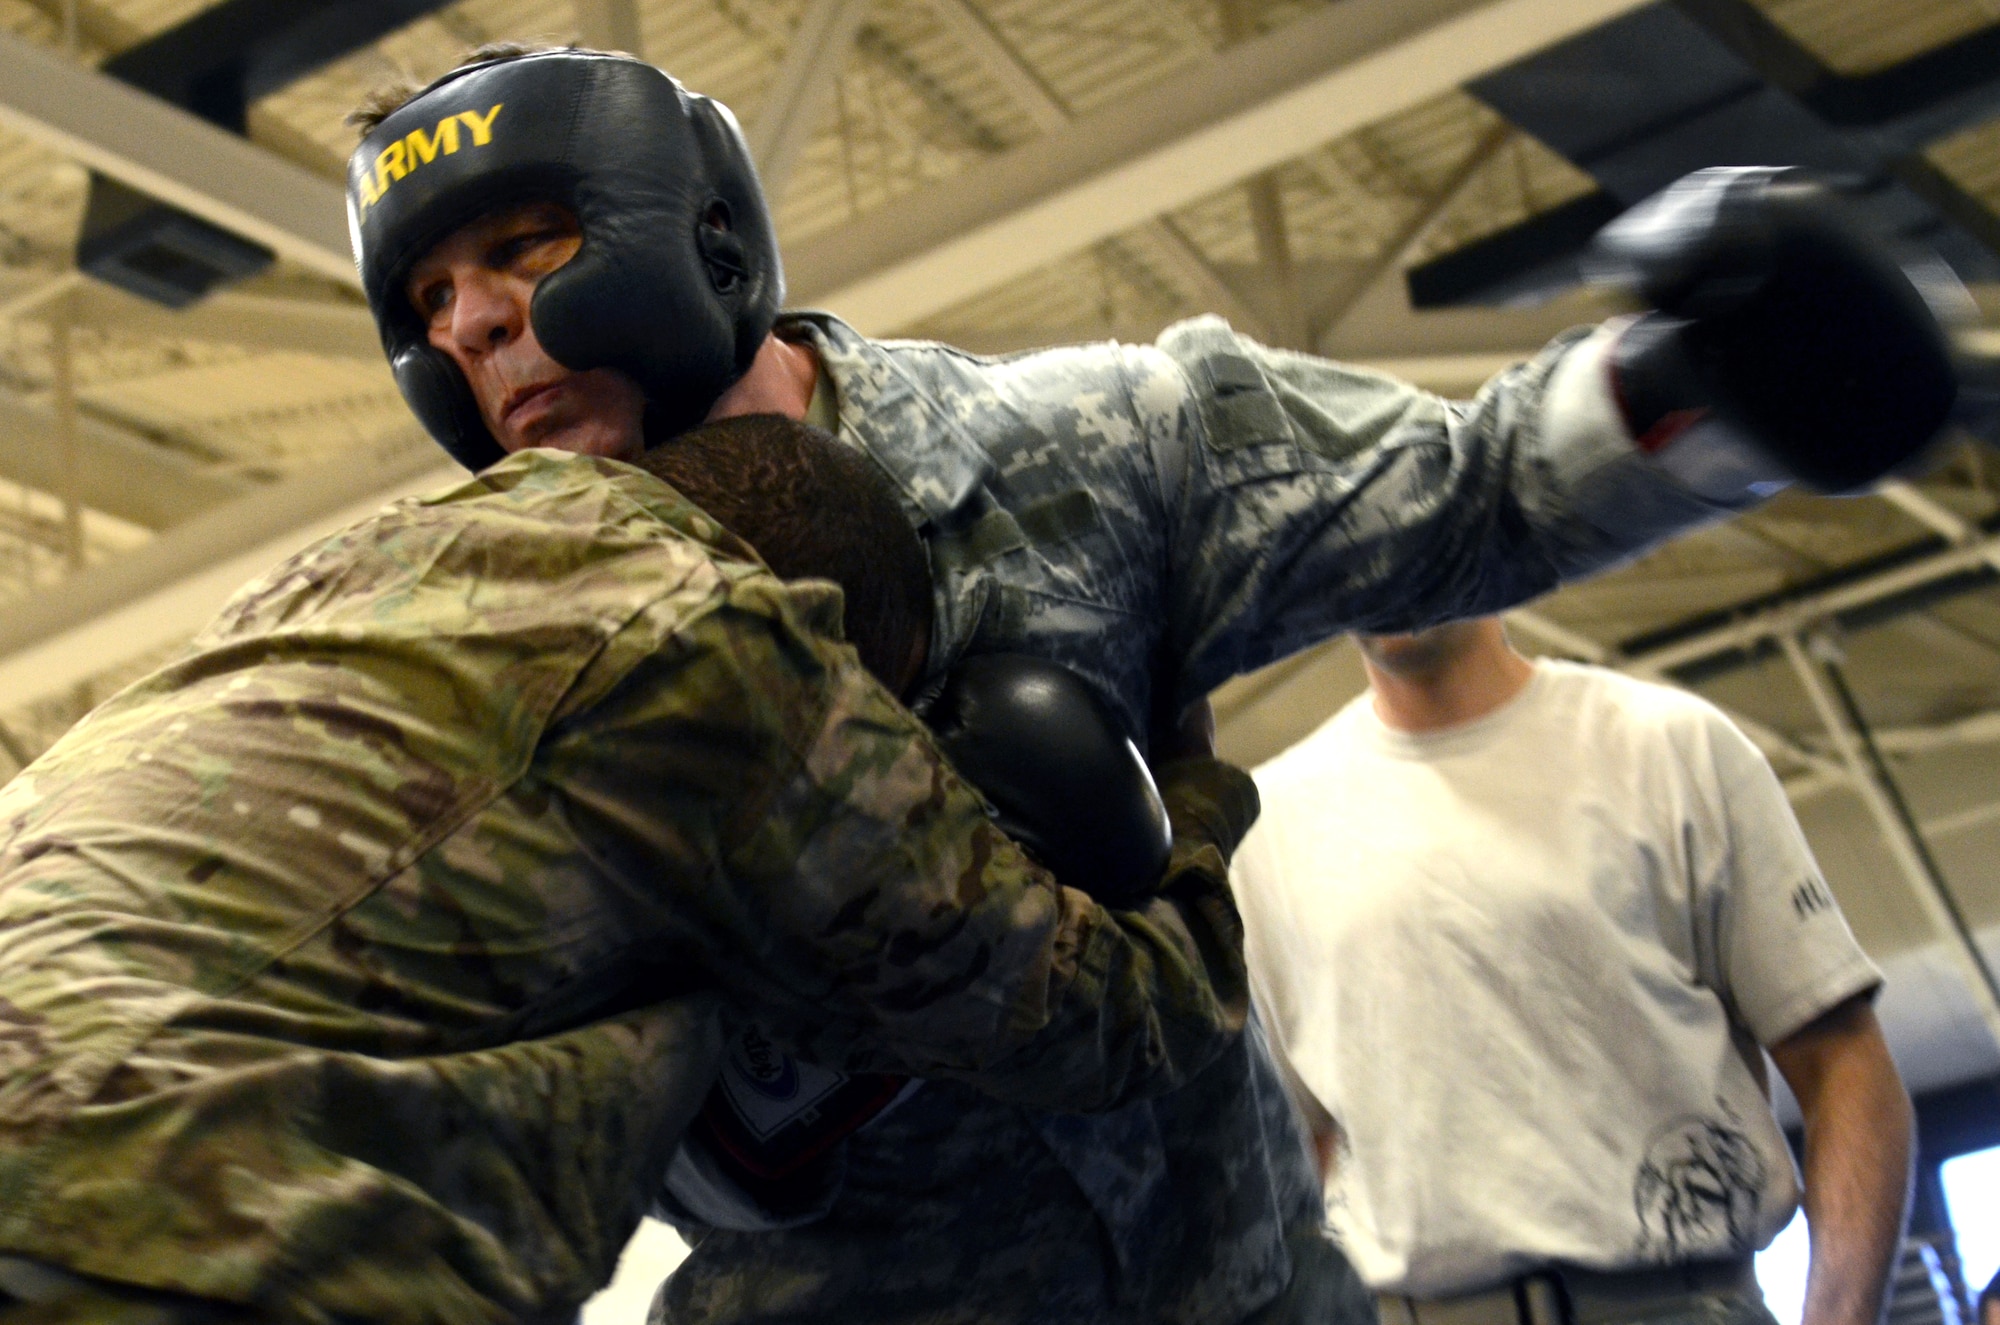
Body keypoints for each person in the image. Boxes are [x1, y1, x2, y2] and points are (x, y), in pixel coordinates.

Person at [342, 43, 1963, 1325]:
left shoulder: (1089, 448)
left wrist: (1703, 389)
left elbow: (1471, 498)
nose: (479, 319)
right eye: (429, 302)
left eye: (522, 246)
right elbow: (516, 1123)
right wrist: (822, 1044)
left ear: (691, 230)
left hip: (1250, 1296)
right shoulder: (491, 672)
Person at [0, 413, 1260, 1324]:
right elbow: (1083, 1011)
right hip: (156, 1208)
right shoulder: (723, 642)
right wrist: (1185, 810)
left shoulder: (377, 563)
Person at [1232, 617, 1916, 1325]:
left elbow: (1844, 1067)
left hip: (1683, 1301)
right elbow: (1297, 1152)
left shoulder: (1669, 746)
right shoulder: (1267, 830)